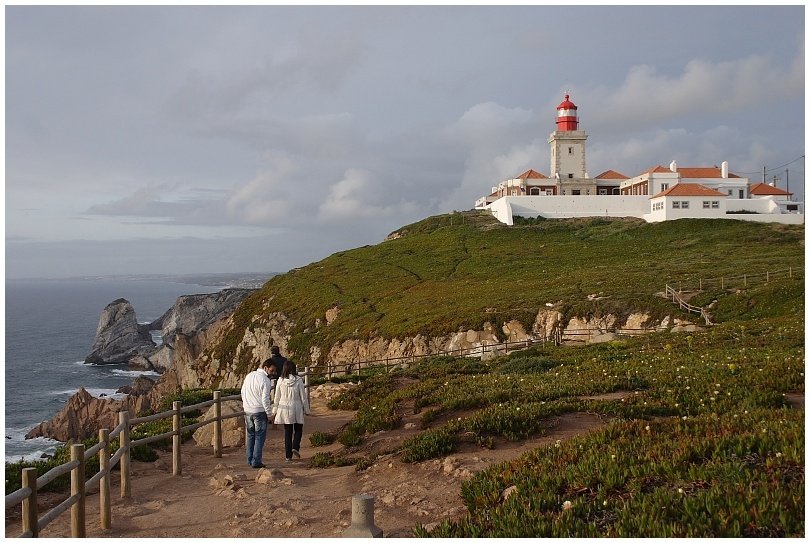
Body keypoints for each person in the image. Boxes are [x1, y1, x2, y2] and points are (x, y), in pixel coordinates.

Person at [272, 360, 311, 461]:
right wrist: (307, 410)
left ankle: (288, 456)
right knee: (298, 428)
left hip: (284, 407)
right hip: (296, 405)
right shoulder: (298, 380)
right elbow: (303, 397)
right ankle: (295, 446)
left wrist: (274, 410)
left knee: (287, 432)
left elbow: (277, 397)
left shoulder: (280, 381)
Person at [240, 359, 276, 468]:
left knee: (250, 435)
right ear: (265, 368)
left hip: (248, 410)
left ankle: (249, 458)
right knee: (259, 436)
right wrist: (269, 414)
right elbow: (265, 399)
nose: (273, 373)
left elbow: (242, 391)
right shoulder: (265, 380)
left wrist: (246, 404)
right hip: (259, 411)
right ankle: (256, 461)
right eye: (272, 370)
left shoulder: (249, 375)